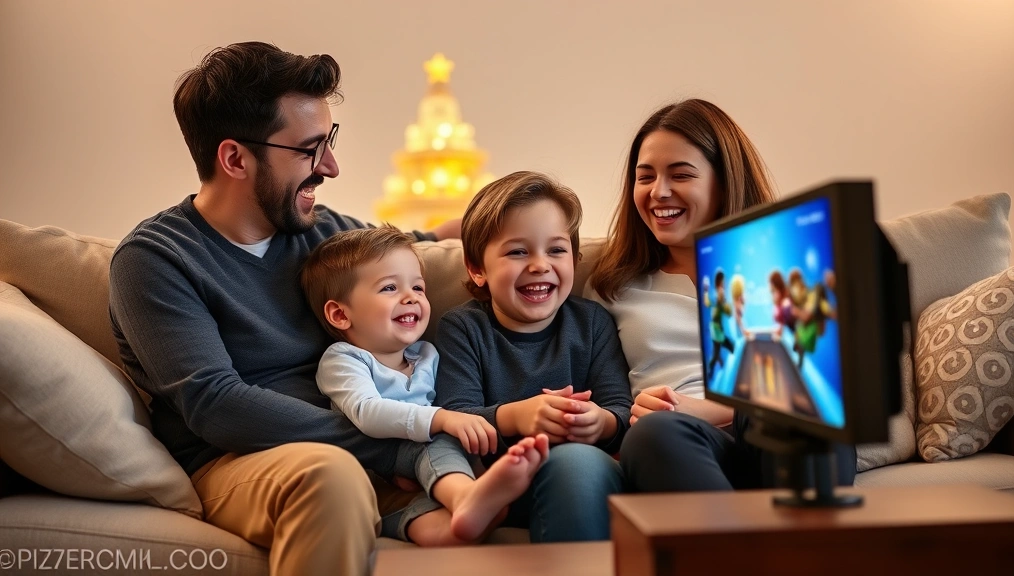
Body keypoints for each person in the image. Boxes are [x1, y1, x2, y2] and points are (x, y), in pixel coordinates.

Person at [108, 42, 459, 576]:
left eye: (330, 142)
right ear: (235, 159)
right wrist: (393, 447)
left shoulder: (326, 234)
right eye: (309, 149)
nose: (332, 167)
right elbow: (216, 405)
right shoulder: (156, 260)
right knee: (331, 475)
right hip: (243, 460)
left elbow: (414, 246)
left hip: (365, 430)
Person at [584, 99, 856, 494]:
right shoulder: (612, 284)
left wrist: (708, 408)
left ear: (724, 181)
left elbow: (821, 381)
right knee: (654, 433)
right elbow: (604, 395)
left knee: (797, 405)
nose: (659, 192)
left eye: (680, 175)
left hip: (772, 434)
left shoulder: (785, 266)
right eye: (645, 178)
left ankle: (799, 547)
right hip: (677, 444)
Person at [299, 225, 549, 545]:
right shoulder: (344, 359)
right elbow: (367, 412)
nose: (411, 298)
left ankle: (467, 516)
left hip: (421, 478)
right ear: (340, 314)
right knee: (437, 437)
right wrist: (441, 419)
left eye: (418, 287)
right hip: (371, 470)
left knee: (431, 519)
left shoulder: (426, 355)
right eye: (389, 288)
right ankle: (465, 496)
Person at [433, 171, 634, 542]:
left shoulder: (593, 324)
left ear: (574, 259)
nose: (540, 264)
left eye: (556, 250)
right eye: (518, 251)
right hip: (502, 484)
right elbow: (454, 416)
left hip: (580, 472)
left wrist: (599, 422)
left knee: (575, 462)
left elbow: (620, 408)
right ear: (477, 269)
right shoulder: (462, 328)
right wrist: (519, 416)